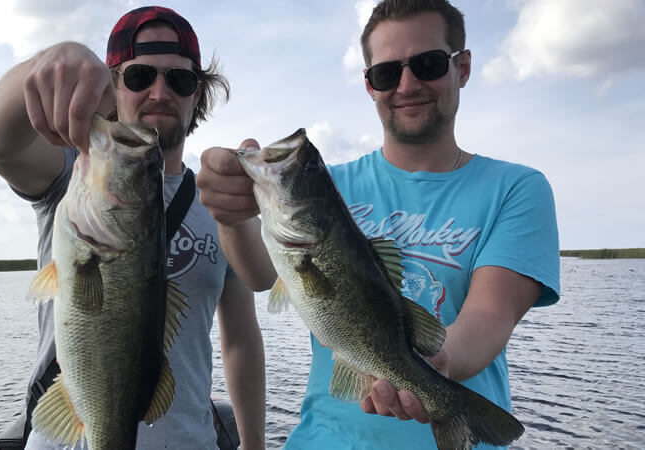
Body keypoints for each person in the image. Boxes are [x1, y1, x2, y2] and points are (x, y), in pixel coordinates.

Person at [196, 0, 560, 448]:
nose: (407, 85)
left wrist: (435, 366)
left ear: (462, 67)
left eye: (428, 65)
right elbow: (258, 275)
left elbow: (490, 315)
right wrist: (232, 217)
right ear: (369, 85)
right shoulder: (334, 187)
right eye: (387, 73)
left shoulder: (516, 188)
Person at [0, 6, 265, 450]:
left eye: (180, 80)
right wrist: (45, 62)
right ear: (110, 85)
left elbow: (240, 337)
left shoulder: (221, 199)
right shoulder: (69, 175)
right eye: (140, 76)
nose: (160, 92)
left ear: (197, 94)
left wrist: (254, 444)